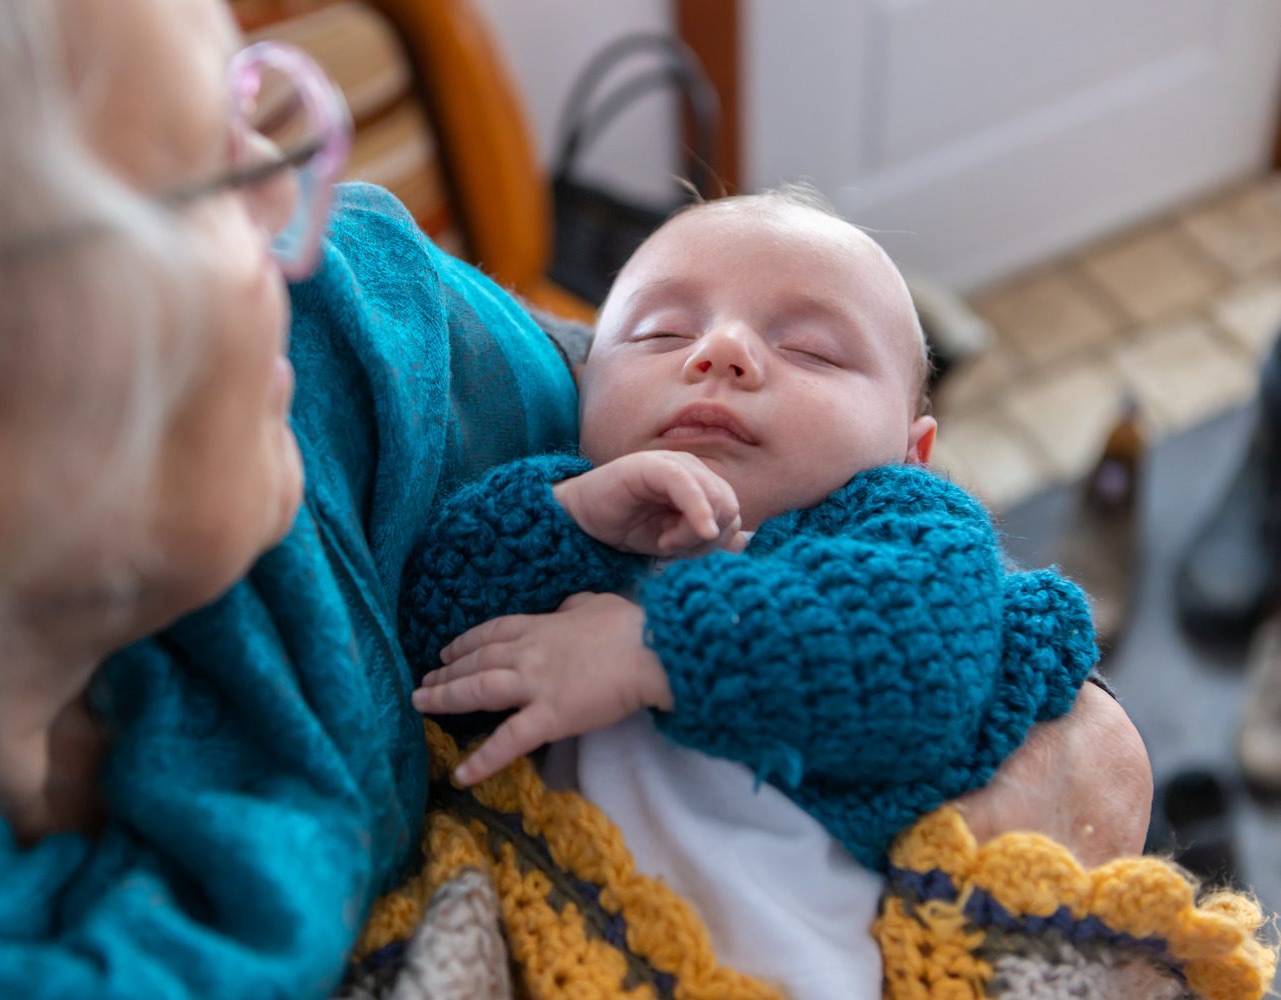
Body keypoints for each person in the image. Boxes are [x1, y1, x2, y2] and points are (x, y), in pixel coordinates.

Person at [0, 1, 1152, 996]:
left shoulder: (356, 340)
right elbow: (466, 589)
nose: (296, 215)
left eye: (257, 114)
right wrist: (569, 518)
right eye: (201, 177)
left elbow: (933, 609)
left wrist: (666, 642)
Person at [401, 191, 1098, 998]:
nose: (721, 352)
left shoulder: (904, 529)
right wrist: (568, 519)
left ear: (915, 453)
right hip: (553, 939)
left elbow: (913, 654)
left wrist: (650, 649)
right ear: (583, 390)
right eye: (662, 334)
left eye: (811, 351)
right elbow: (432, 655)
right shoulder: (563, 518)